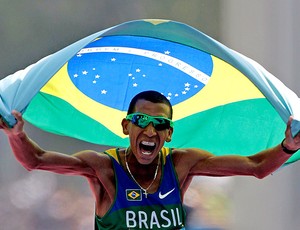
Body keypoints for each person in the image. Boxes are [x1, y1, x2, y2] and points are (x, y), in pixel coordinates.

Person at [1, 90, 300, 230]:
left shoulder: (182, 164)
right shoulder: (103, 168)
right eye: (140, 120)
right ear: (125, 127)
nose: (149, 130)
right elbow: (36, 160)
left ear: (168, 134)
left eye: (158, 125)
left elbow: (257, 167)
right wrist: (16, 135)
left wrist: (287, 145)